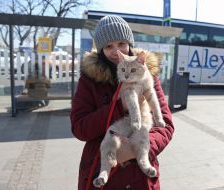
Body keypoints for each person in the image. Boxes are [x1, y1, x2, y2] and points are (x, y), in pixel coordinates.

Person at [70, 15, 174, 190]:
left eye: (121, 43)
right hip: (104, 174)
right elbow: (80, 128)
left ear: (129, 44)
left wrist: (139, 149)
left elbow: (165, 124)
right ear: (101, 48)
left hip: (140, 178)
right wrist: (120, 107)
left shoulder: (147, 74)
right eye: (109, 46)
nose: (116, 50)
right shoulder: (89, 80)